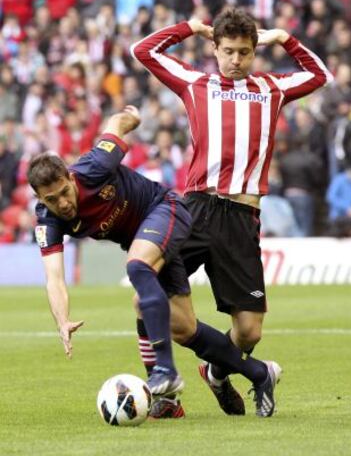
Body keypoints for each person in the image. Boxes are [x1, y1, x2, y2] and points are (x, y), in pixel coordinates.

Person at [131, 8, 333, 416]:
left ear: (254, 51)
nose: (235, 60)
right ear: (215, 48)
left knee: (248, 331)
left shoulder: (272, 88)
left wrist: (283, 38)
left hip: (242, 218)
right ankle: (165, 392)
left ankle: (218, 372)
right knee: (145, 295)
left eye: (244, 52)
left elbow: (320, 75)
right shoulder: (195, 83)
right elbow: (143, 50)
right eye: (227, 51)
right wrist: (190, 26)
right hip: (196, 209)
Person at [28, 105, 278, 411]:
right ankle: (260, 373)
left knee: (137, 266)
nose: (63, 203)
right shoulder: (47, 221)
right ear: (40, 199)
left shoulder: (95, 166)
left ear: (70, 177)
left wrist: (131, 117)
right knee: (184, 328)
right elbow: (54, 276)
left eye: (64, 192)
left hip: (166, 209)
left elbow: (116, 124)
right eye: (51, 200)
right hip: (147, 240)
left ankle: (165, 374)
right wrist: (62, 320)